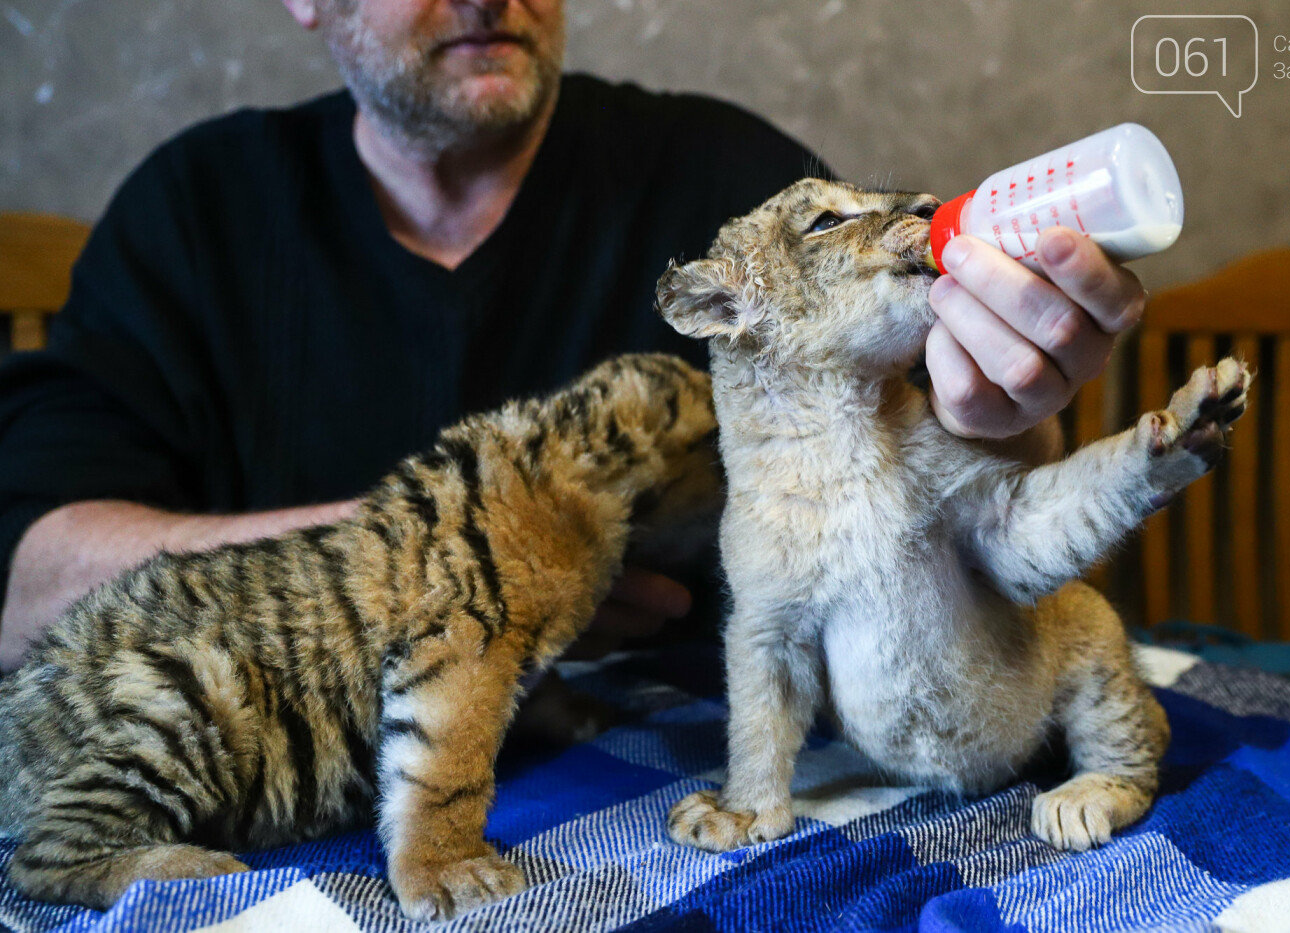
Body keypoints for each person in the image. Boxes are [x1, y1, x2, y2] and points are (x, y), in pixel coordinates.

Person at [0, 0, 1146, 672]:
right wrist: (481, 555)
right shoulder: (196, 211)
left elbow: (951, 520)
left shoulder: (724, 186)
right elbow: (31, 589)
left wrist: (1000, 415)